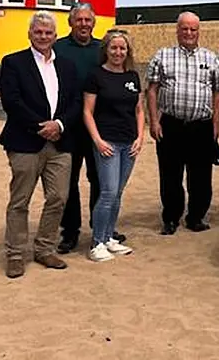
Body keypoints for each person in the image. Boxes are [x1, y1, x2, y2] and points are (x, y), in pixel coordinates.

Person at [0, 11, 81, 278]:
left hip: (60, 142)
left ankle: (44, 248)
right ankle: (15, 254)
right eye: (38, 32)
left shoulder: (67, 66)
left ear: (56, 36)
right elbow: (12, 102)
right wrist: (41, 127)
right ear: (30, 34)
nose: (43, 37)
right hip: (24, 142)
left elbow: (76, 102)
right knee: (20, 200)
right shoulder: (13, 62)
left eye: (48, 33)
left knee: (58, 198)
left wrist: (59, 125)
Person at [146, 11, 219, 235]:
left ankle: (196, 217)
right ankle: (171, 218)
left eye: (193, 29)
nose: (189, 33)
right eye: (185, 29)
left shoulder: (210, 59)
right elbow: (151, 90)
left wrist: (215, 125)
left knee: (201, 175)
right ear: (177, 30)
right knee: (170, 174)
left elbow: (217, 93)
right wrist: (154, 121)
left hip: (201, 126)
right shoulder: (162, 56)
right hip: (170, 124)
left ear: (198, 31)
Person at [54, 2, 117, 254]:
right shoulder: (58, 48)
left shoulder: (102, 48)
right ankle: (70, 232)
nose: (83, 24)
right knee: (68, 182)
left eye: (88, 20)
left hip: (98, 128)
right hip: (68, 126)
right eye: (78, 20)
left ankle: (100, 228)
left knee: (100, 180)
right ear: (71, 22)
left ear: (94, 22)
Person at [82, 30, 144, 262]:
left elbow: (139, 110)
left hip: (129, 143)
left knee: (117, 192)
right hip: (107, 142)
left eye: (122, 48)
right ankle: (97, 242)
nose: (118, 52)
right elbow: (87, 112)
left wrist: (139, 138)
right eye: (114, 48)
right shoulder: (96, 76)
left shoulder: (133, 77)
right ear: (106, 50)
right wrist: (97, 140)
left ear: (127, 51)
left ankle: (108, 237)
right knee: (107, 192)